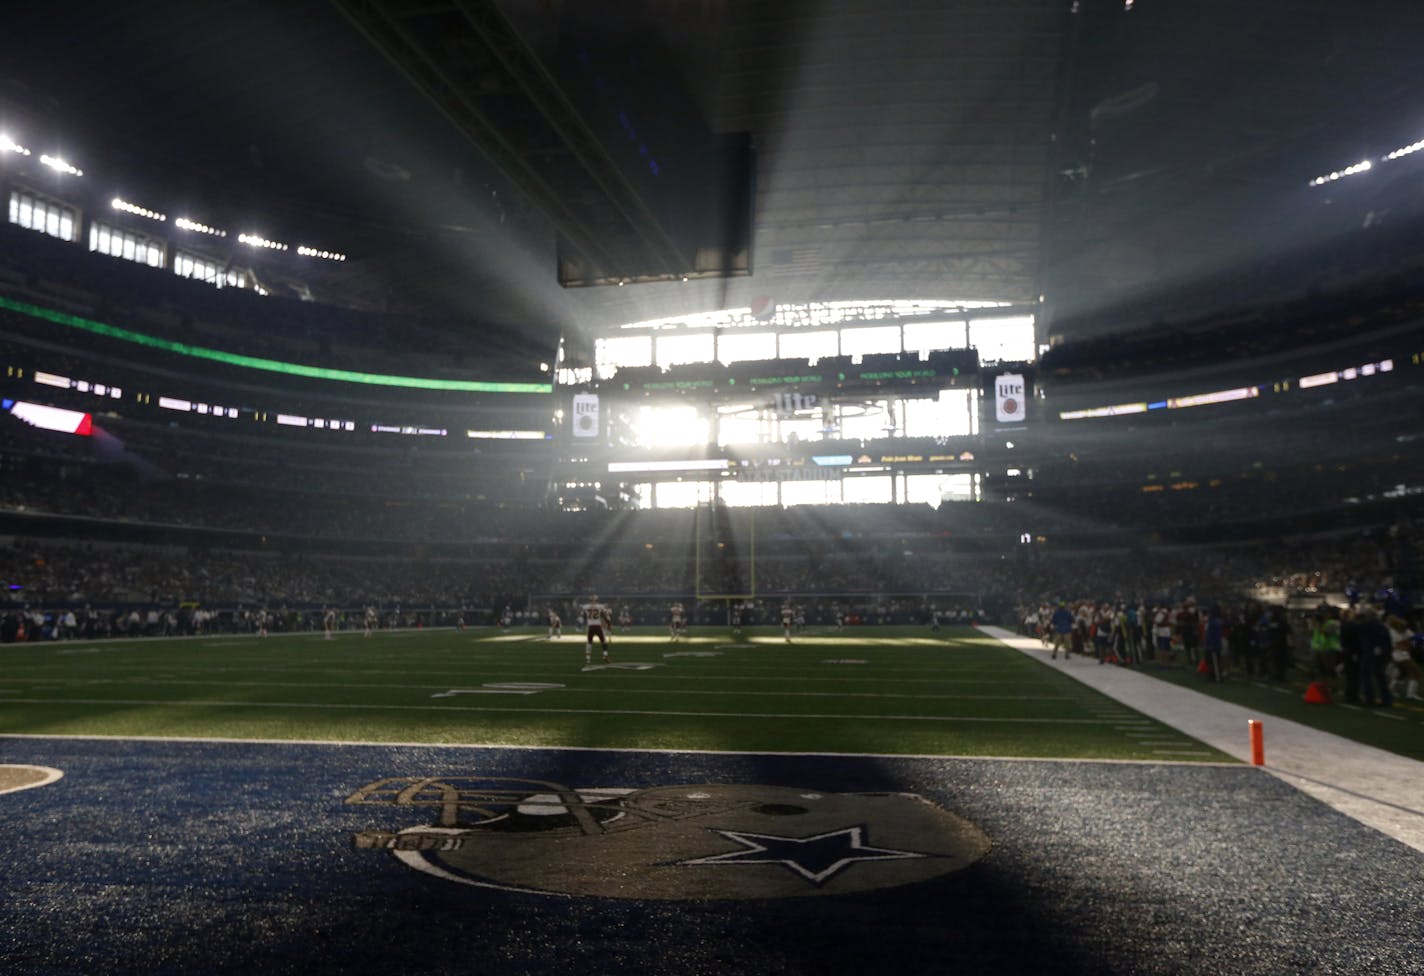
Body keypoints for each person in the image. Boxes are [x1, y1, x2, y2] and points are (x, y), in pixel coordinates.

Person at [581, 595, 611, 665]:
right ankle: (605, 655)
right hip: (597, 626)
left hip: (590, 626)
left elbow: (583, 615)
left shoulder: (585, 607)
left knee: (589, 642)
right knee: (603, 641)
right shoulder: (600, 606)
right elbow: (604, 615)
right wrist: (608, 623)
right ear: (596, 600)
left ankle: (588, 659)